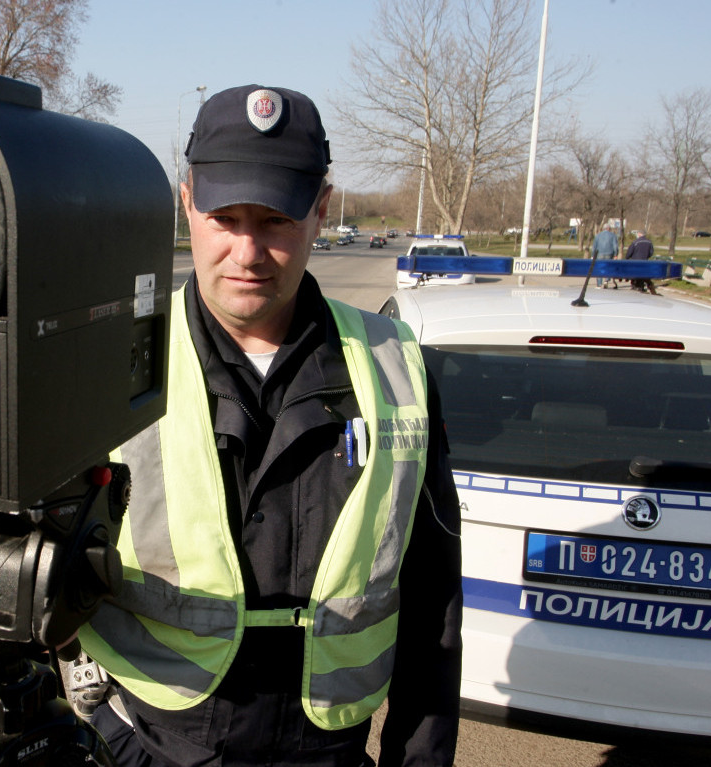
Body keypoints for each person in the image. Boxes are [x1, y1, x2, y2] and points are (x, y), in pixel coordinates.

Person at [72, 85, 462, 767]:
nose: (247, 252)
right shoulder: (105, 360)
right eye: (224, 218)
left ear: (321, 209)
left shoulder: (395, 366)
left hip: (328, 752)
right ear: (187, 201)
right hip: (146, 745)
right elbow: (27, 570)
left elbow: (433, 597)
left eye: (276, 220)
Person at [592, 222, 619, 288]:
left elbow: (594, 247)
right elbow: (615, 246)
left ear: (603, 228)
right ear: (608, 228)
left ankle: (599, 284)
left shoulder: (598, 235)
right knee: (608, 267)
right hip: (609, 253)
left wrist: (593, 255)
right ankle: (606, 280)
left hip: (599, 254)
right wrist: (616, 254)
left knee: (599, 268)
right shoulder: (613, 235)